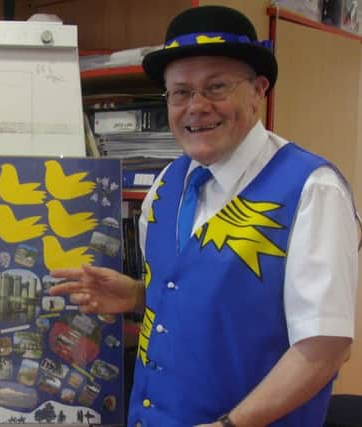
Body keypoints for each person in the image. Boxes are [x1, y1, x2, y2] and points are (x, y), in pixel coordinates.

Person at [50, 5, 360, 427]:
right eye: (180, 92)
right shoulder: (165, 184)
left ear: (258, 91)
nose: (196, 106)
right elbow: (210, 298)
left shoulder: (312, 189)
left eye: (216, 87)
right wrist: (142, 295)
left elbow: (325, 346)